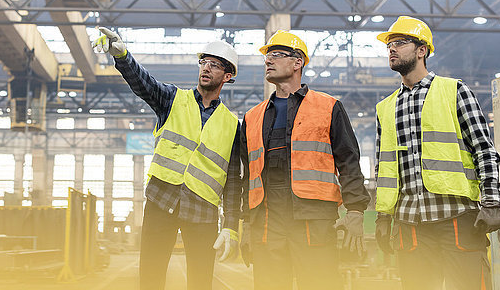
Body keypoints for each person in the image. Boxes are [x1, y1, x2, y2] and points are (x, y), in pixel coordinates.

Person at [93, 28, 241, 290]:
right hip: (162, 201)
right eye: (203, 62)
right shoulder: (173, 99)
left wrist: (230, 225)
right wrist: (123, 56)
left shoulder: (233, 125)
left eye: (214, 65)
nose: (206, 68)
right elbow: (144, 83)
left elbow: (232, 180)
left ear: (227, 76)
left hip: (203, 211)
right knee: (150, 277)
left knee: (200, 282)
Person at [374, 16, 500, 290]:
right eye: (389, 45)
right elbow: (384, 169)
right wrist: (384, 217)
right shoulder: (385, 108)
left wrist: (491, 202)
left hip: (456, 217)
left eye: (400, 42)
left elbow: (484, 149)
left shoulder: (454, 91)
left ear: (422, 50)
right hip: (410, 223)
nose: (392, 49)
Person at [239, 30, 370, 290]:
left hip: (313, 219)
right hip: (266, 221)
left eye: (276, 55)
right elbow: (249, 176)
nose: (268, 60)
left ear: (298, 62)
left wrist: (355, 211)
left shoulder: (328, 107)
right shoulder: (253, 117)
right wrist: (246, 224)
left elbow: (349, 161)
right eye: (267, 56)